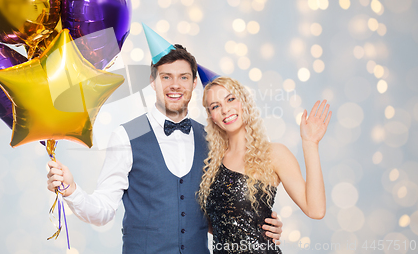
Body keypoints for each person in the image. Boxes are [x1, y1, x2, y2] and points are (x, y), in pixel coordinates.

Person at [47, 43, 284, 253]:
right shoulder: (125, 136)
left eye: (183, 77)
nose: (175, 85)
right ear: (153, 82)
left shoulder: (213, 141)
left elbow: (222, 210)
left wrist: (260, 223)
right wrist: (71, 190)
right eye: (166, 77)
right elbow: (103, 212)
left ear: (193, 83)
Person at [198, 76, 331, 253]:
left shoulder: (274, 154)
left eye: (230, 99)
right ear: (211, 117)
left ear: (244, 102)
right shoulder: (211, 163)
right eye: (215, 106)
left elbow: (316, 210)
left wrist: (310, 143)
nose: (225, 110)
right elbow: (216, 222)